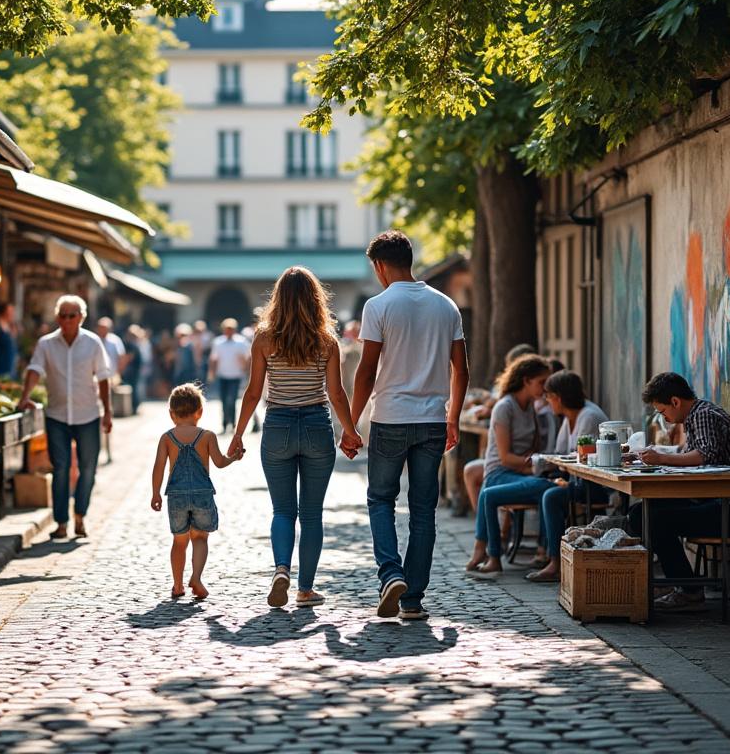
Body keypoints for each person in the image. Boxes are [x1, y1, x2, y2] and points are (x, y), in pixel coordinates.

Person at [227, 268, 363, 609]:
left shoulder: (263, 338)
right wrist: (349, 430)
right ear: (316, 299)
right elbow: (336, 393)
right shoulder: (327, 340)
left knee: (283, 510)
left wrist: (238, 433)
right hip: (317, 425)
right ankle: (305, 589)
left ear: (278, 299)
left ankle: (281, 570)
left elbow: (253, 392)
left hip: (277, 426)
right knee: (313, 514)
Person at [351, 230, 468, 620]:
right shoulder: (446, 305)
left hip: (390, 418)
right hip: (433, 420)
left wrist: (350, 425)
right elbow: (461, 370)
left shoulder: (378, 306)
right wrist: (453, 418)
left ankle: (390, 573)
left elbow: (366, 373)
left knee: (381, 499)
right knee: (423, 511)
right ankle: (413, 599)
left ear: (381, 266)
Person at [629, 371, 730, 611]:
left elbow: (703, 456)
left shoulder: (703, 415)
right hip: (716, 503)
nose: (665, 418)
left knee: (655, 519)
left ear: (675, 402)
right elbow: (691, 455)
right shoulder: (695, 418)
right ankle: (678, 583)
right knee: (642, 512)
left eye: (663, 412)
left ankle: (688, 590)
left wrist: (661, 458)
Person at [17, 295, 113, 540]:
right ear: (57, 318)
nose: (67, 320)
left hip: (88, 415)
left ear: (81, 317)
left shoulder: (93, 343)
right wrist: (25, 395)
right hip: (57, 416)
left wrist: (108, 412)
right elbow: (35, 369)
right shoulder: (46, 344)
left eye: (72, 316)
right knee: (60, 469)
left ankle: (80, 515)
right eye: (63, 316)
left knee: (88, 469)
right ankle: (61, 522)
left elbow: (103, 377)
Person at [464, 355, 557, 577]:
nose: (545, 388)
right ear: (526, 380)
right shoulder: (504, 407)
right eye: (541, 382)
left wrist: (533, 465)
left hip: (522, 473)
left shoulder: (531, 408)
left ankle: (542, 552)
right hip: (500, 473)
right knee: (546, 486)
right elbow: (506, 458)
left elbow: (532, 451)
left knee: (548, 489)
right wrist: (533, 465)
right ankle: (490, 553)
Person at [150, 384, 240, 599]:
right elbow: (219, 462)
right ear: (200, 412)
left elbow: (159, 467)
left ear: (171, 414)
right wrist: (234, 457)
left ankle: (178, 585)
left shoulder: (166, 438)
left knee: (179, 541)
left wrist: (155, 493)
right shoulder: (207, 436)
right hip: (202, 494)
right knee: (200, 538)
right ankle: (197, 577)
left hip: (176, 495)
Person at [526, 370, 611, 583]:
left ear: (559, 398)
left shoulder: (588, 416)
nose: (547, 401)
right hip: (576, 479)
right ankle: (548, 553)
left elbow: (580, 458)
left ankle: (554, 561)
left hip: (595, 485)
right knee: (546, 488)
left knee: (551, 496)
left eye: (549, 396)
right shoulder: (568, 417)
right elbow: (561, 454)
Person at [209, 318, 251, 433]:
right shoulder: (218, 342)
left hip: (236, 375)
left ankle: (232, 424)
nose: (228, 331)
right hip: (222, 375)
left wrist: (247, 370)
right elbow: (213, 358)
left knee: (232, 401)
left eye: (231, 329)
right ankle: (224, 424)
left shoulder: (241, 342)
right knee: (223, 400)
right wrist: (211, 372)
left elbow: (248, 358)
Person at [123, 324, 150, 407]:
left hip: (135, 370)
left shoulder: (135, 345)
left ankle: (135, 405)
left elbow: (131, 357)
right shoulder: (135, 344)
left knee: (135, 388)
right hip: (136, 369)